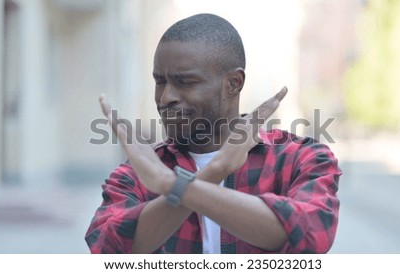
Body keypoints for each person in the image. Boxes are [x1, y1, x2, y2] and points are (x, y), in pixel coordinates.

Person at [85, 13, 341, 254]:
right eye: (160, 81)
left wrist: (171, 185)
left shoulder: (300, 157)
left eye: (185, 82)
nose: (165, 98)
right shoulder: (139, 171)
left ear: (233, 83)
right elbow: (109, 248)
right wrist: (215, 171)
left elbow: (310, 234)